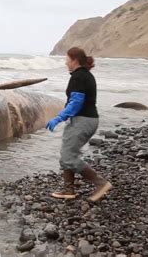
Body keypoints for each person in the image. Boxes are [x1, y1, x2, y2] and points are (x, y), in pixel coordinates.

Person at [46, 47, 112, 202]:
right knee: (66, 153)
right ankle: (68, 190)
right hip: (82, 119)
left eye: (67, 59)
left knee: (69, 156)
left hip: (84, 120)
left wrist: (59, 117)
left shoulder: (79, 76)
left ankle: (102, 184)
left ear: (74, 60)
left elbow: (76, 102)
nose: (65, 63)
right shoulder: (84, 75)